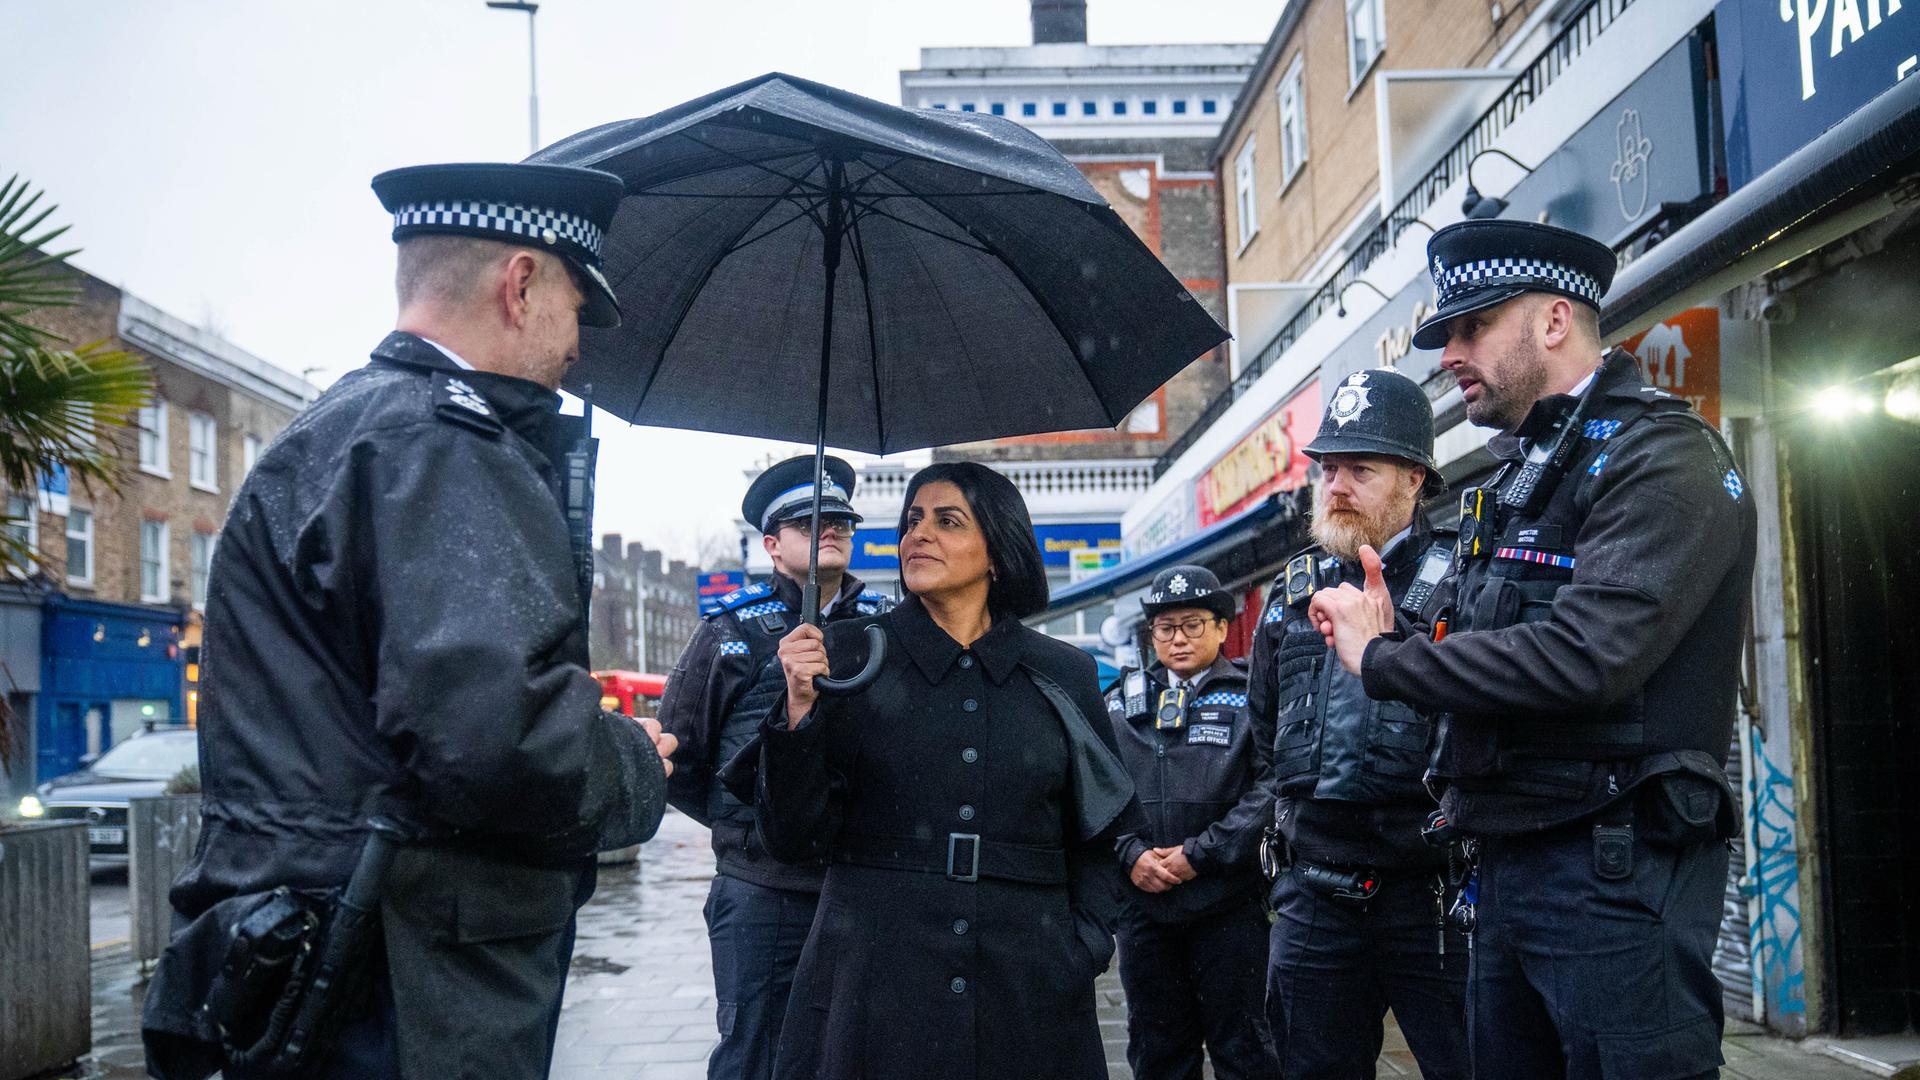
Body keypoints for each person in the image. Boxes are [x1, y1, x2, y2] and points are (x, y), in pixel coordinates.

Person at [142, 162, 676, 1080]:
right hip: (398, 980)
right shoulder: (440, 447)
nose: (578, 343)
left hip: (312, 952)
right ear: (520, 285)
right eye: (577, 307)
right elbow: (493, 740)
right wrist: (629, 761)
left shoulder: (342, 429)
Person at [1308, 220, 1756, 1080]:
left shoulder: (1660, 454)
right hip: (1513, 863)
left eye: (1472, 328)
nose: (1450, 354)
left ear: (1553, 321)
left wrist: (1387, 659)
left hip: (1613, 873)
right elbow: (1498, 644)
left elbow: (1588, 654)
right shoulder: (1528, 472)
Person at [751, 461, 1140, 1080]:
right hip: (875, 983)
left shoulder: (1062, 672)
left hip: (1029, 987)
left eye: (947, 520)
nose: (918, 535)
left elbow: (1102, 831)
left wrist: (1083, 945)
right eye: (912, 521)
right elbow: (793, 838)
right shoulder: (844, 654)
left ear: (997, 551)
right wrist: (799, 708)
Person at [1250, 366, 1469, 1079]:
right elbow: (1262, 735)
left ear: (1414, 478)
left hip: (1432, 894)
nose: (1337, 485)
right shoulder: (1290, 594)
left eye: (1360, 470)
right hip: (1315, 894)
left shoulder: (1465, 577)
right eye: (1329, 468)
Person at [656, 453, 891, 1080]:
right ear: (771, 543)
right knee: (755, 1055)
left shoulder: (889, 627)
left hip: (867, 882)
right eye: (809, 522)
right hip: (764, 891)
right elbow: (680, 756)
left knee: (856, 1055)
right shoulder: (731, 631)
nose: (831, 529)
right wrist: (752, 826)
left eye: (840, 518)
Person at [1103, 565, 1278, 1080]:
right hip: (1145, 913)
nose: (1178, 639)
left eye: (1193, 624)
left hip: (1229, 907)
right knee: (1158, 1052)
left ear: (1223, 627)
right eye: (1165, 627)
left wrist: (1201, 854)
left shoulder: (1252, 697)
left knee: (1245, 1048)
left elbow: (1272, 787)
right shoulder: (1118, 703)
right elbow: (1095, 790)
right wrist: (1130, 854)